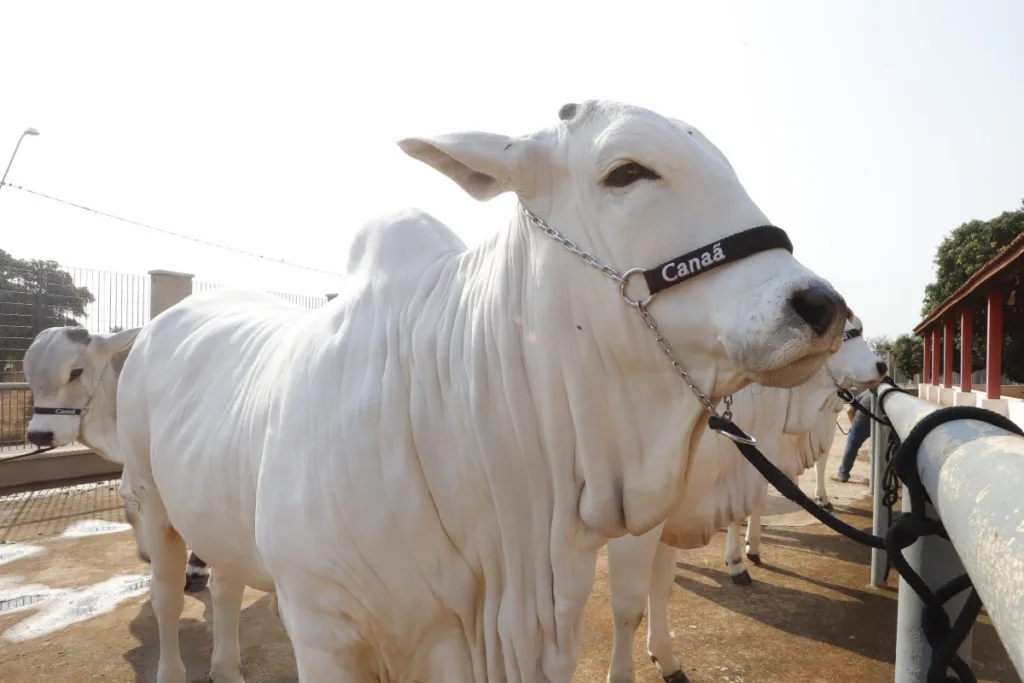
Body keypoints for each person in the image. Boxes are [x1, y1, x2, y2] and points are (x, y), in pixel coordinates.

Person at [831, 388, 874, 483]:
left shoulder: (866, 392)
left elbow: (849, 410)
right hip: (883, 421)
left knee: (853, 444)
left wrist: (853, 426)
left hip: (862, 420)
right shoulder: (891, 391)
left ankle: (843, 474)